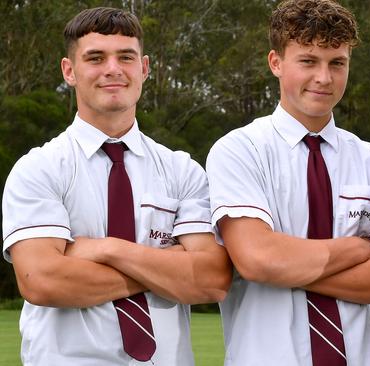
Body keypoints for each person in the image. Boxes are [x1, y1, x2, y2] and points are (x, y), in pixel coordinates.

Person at [2, 7, 232, 365]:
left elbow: (211, 280)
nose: (113, 69)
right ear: (69, 70)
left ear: (144, 68)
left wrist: (107, 249)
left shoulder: (182, 170)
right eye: (95, 57)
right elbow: (42, 280)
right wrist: (165, 270)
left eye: (126, 57)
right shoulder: (38, 169)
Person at [206, 0, 370, 365]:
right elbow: (258, 260)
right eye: (308, 61)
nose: (324, 78)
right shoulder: (239, 151)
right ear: (276, 63)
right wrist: (357, 249)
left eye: (337, 63)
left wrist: (288, 268)